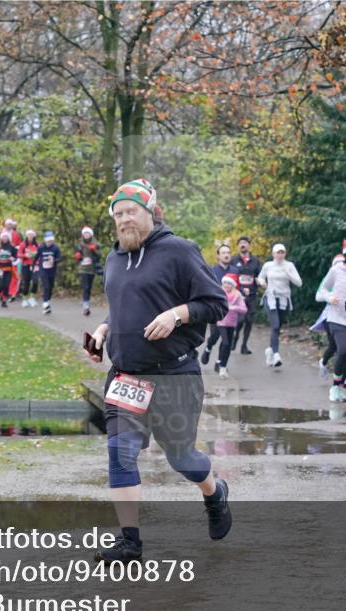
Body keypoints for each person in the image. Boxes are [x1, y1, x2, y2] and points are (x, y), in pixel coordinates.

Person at [85, 178, 230, 564]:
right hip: (126, 377)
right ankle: (130, 543)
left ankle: (214, 493)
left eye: (131, 211)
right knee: (120, 453)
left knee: (181, 459)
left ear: (151, 212)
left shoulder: (180, 252)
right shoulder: (114, 258)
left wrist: (178, 314)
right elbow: (122, 304)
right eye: (117, 214)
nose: (123, 219)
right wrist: (103, 330)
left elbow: (216, 303)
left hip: (174, 376)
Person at [316, 241, 346, 402]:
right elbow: (321, 290)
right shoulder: (336, 270)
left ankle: (340, 387)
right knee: (343, 350)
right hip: (335, 318)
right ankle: (334, 387)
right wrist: (329, 297)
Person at [256, 243, 302, 368]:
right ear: (273, 254)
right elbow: (260, 278)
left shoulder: (289, 265)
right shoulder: (268, 265)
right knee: (275, 326)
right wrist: (262, 283)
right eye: (278, 252)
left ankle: (270, 351)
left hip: (284, 299)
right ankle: (276, 354)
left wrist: (289, 274)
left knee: (278, 327)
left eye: (282, 252)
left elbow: (299, 283)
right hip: (270, 297)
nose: (280, 255)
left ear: (285, 254)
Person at [200, 244, 236, 370]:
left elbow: (238, 289)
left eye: (228, 252)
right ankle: (208, 348)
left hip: (231, 311)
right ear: (218, 256)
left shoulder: (234, 271)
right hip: (217, 308)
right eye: (223, 252)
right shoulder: (212, 270)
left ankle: (220, 361)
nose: (226, 255)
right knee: (215, 335)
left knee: (226, 341)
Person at [315, 254, 346, 377]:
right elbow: (317, 297)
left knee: (343, 348)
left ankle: (343, 375)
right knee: (336, 346)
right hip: (329, 317)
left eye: (341, 264)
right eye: (336, 264)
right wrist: (330, 297)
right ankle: (324, 362)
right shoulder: (329, 279)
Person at [230, 236, 262, 354]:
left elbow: (260, 275)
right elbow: (230, 277)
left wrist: (260, 281)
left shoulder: (255, 260)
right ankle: (236, 336)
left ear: (249, 245)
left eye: (245, 243)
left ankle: (244, 346)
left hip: (252, 295)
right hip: (238, 295)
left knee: (249, 320)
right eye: (240, 243)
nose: (243, 245)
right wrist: (240, 288)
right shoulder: (233, 260)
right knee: (240, 320)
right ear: (238, 246)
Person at [214, 275, 248, 379]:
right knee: (225, 343)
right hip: (221, 322)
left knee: (228, 346)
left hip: (231, 323)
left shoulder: (237, 295)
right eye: (225, 283)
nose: (226, 285)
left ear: (233, 285)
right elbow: (214, 305)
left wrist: (233, 307)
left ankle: (223, 367)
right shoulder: (219, 293)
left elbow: (244, 309)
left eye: (229, 283)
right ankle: (221, 366)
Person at [75, 227, 102, 316]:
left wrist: (94, 251)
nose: (86, 235)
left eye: (88, 233)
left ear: (91, 235)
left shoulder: (96, 244)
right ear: (83, 235)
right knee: (85, 287)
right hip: (83, 269)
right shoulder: (80, 245)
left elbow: (99, 256)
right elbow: (78, 257)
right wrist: (78, 257)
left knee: (89, 287)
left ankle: (86, 303)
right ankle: (86, 306)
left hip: (92, 269)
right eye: (85, 233)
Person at [34, 231, 61, 315]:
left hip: (52, 271)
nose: (49, 242)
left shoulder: (55, 248)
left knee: (50, 287)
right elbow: (36, 257)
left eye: (51, 241)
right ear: (45, 241)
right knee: (46, 286)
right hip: (43, 270)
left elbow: (59, 258)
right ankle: (45, 304)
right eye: (48, 241)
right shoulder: (41, 248)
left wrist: (54, 260)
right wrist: (33, 266)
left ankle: (47, 303)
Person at [0, 231, 18, 307]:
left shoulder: (12, 247)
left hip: (8, 268)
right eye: (4, 237)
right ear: (1, 238)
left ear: (9, 238)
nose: (5, 238)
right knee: (0, 285)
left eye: (6, 237)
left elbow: (16, 256)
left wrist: (13, 258)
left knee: (6, 286)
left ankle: (4, 300)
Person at [18, 229, 39, 308]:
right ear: (26, 236)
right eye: (29, 235)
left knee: (35, 281)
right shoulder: (23, 244)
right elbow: (18, 254)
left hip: (35, 265)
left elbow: (40, 254)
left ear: (34, 236)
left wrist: (36, 257)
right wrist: (25, 256)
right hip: (26, 265)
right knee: (26, 283)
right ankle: (25, 299)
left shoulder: (37, 245)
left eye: (32, 235)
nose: (30, 237)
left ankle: (32, 297)